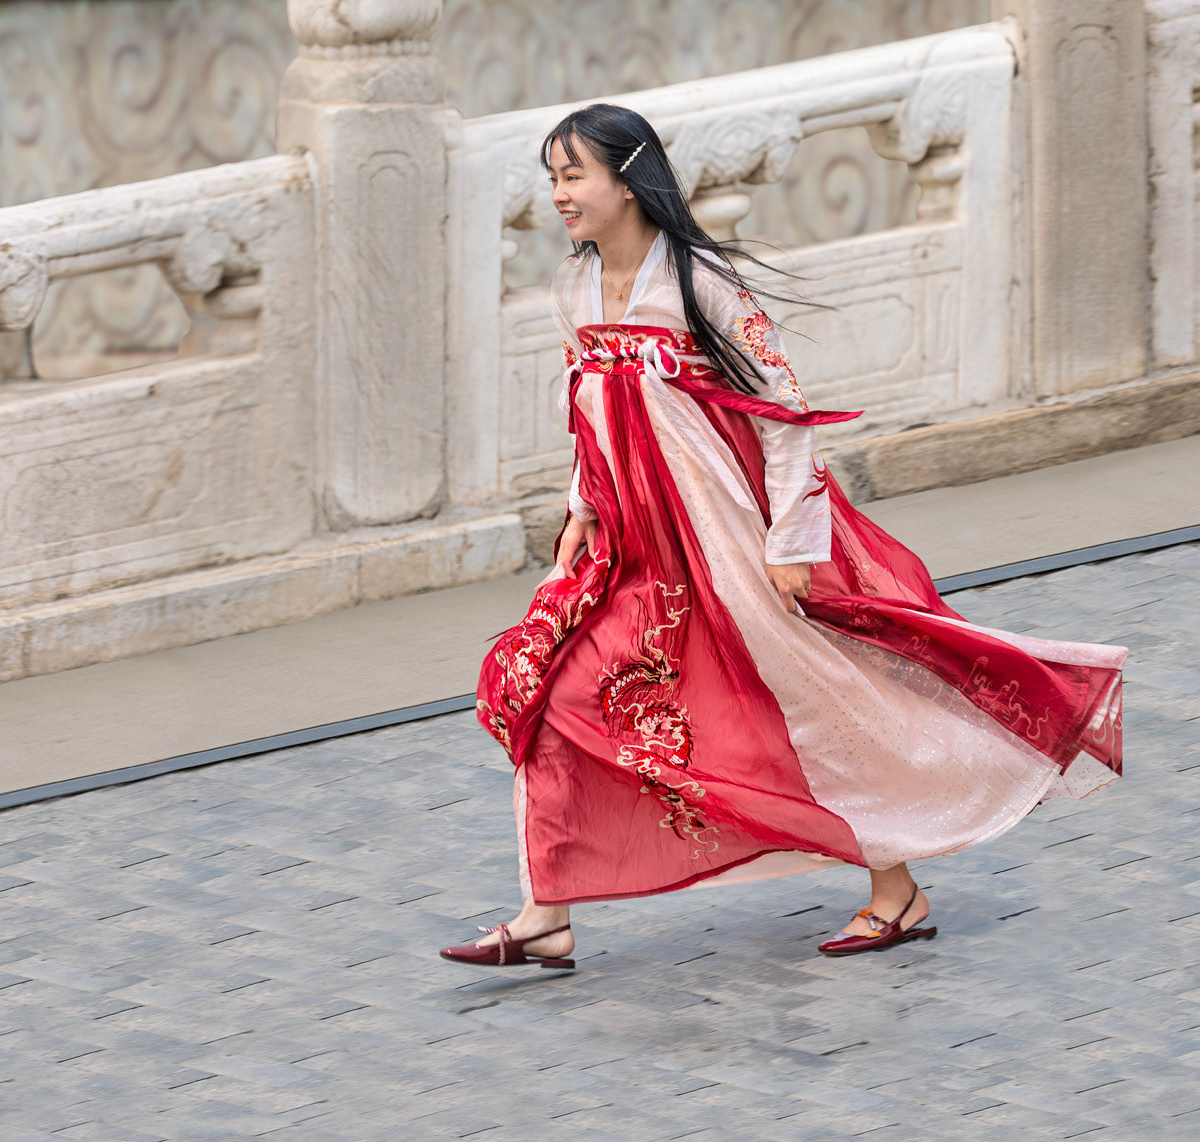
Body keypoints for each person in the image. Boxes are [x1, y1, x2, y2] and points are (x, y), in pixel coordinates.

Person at [441, 103, 1126, 968]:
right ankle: (547, 912)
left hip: (724, 544)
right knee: (553, 694)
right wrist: (581, 508)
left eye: (574, 175)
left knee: (804, 699)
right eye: (554, 178)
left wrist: (792, 543)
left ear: (630, 178)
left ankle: (896, 889)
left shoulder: (701, 282)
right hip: (632, 549)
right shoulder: (572, 289)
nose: (559, 195)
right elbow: (589, 410)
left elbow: (786, 412)